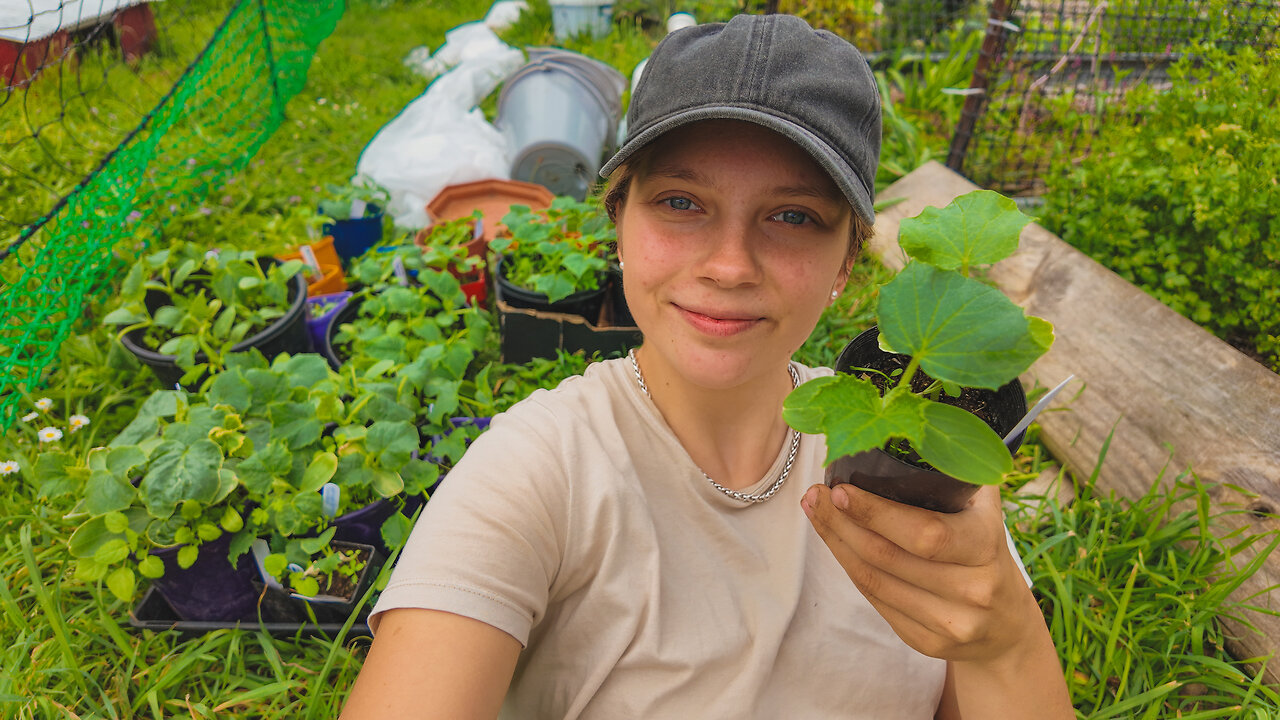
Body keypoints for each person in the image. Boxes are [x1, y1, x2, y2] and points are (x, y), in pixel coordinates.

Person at [341, 14, 1073, 719]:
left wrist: (1003, 640)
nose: (729, 265)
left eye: (792, 216)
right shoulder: (539, 470)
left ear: (848, 259)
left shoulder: (915, 454)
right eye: (682, 202)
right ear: (618, 220)